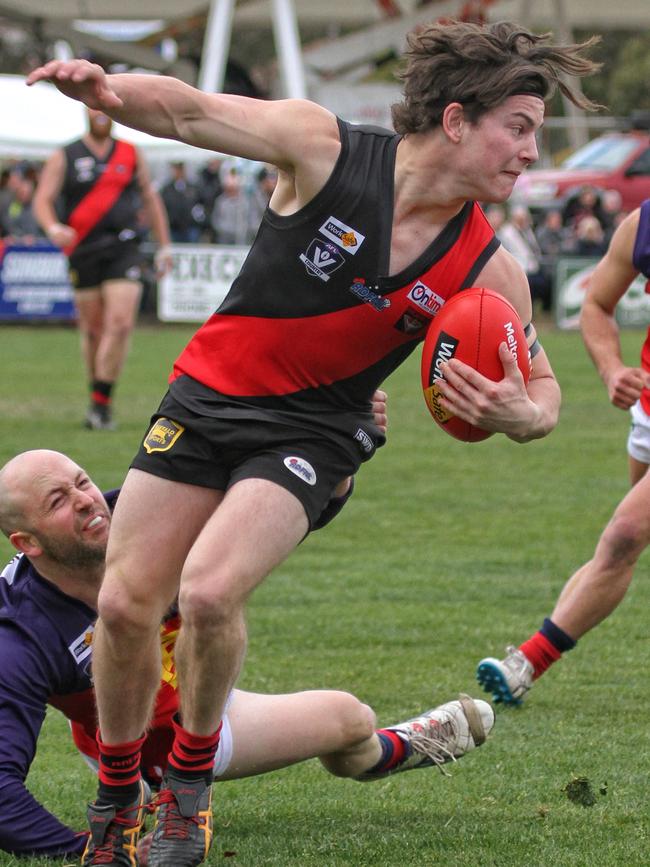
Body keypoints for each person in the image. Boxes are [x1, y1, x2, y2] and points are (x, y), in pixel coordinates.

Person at [27, 20, 600, 867]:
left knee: (212, 591)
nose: (528, 152)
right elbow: (189, 112)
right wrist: (110, 91)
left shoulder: (489, 265)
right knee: (121, 605)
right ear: (454, 119)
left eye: (535, 134)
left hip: (313, 435)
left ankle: (184, 792)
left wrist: (525, 414)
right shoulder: (324, 147)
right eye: (517, 127)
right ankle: (116, 793)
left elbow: (545, 393)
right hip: (205, 396)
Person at [0, 447, 494, 861]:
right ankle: (151, 783)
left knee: (352, 722)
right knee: (346, 714)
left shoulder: (147, 514)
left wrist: (341, 464)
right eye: (59, 501)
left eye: (82, 481)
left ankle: (391, 747)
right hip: (134, 737)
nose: (87, 501)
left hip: (198, 698)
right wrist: (89, 849)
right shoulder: (18, 634)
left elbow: (269, 514)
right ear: (27, 543)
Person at [477, 201, 650, 704]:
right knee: (621, 550)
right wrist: (612, 370)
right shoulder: (641, 226)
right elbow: (596, 305)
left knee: (623, 535)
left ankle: (526, 662)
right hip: (646, 416)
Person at [32, 108, 172, 431]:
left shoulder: (130, 153)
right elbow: (42, 199)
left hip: (125, 248)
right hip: (83, 251)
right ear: (84, 111)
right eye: (92, 107)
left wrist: (164, 245)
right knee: (94, 330)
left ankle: (102, 402)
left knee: (120, 324)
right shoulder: (65, 155)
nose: (99, 113)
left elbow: (150, 198)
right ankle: (97, 398)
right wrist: (53, 227)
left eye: (103, 107)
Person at [160, 161, 205, 243]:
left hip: (190, 227)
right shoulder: (167, 189)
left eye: (180, 169)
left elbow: (200, 204)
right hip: (173, 227)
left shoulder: (193, 187)